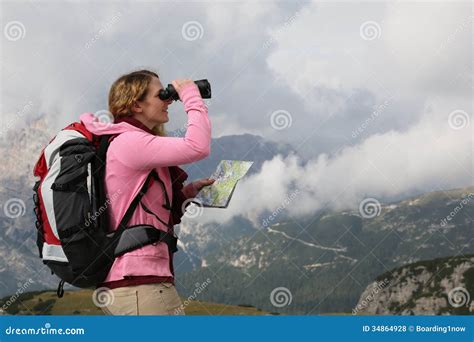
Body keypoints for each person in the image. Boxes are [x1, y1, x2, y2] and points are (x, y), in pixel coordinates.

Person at [80, 70, 214, 315]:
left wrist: (187, 193)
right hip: (141, 286)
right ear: (136, 104)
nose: (169, 100)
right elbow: (198, 146)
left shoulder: (128, 142)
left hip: (133, 285)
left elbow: (143, 212)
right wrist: (191, 96)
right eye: (161, 95)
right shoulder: (130, 142)